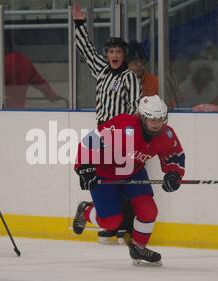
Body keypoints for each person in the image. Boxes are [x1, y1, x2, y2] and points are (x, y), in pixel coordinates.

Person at [73, 95, 185, 266]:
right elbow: (89, 142)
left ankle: (138, 247)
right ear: (142, 117)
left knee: (148, 211)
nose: (157, 123)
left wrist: (173, 174)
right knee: (111, 222)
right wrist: (84, 168)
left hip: (133, 172)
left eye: (160, 118)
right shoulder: (124, 126)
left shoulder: (166, 134)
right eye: (152, 119)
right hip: (105, 174)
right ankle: (85, 210)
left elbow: (174, 154)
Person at [72, 3, 141, 245]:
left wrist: (131, 138)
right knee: (105, 179)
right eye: (110, 51)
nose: (113, 55)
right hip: (102, 133)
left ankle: (123, 229)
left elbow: (135, 107)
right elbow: (85, 50)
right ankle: (108, 222)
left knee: (125, 180)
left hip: (123, 136)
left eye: (118, 52)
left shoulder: (129, 77)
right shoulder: (101, 70)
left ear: (124, 55)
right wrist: (79, 24)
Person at [0, 31, 61, 108]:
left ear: (0, 44)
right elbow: (40, 83)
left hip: (4, 112)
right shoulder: (24, 61)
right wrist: (52, 95)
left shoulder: (2, 65)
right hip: (20, 111)